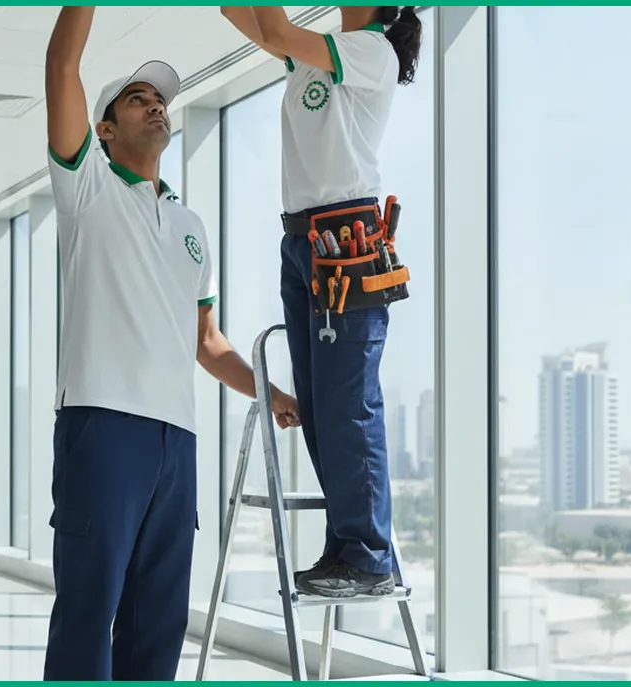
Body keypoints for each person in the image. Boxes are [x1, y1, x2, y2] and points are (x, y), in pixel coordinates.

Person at [42, 6, 300, 681]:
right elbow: (61, 68)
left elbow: (207, 342)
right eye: (137, 99)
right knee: (87, 614)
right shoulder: (86, 188)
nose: (156, 108)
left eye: (160, 100)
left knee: (158, 625)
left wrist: (271, 394)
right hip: (102, 428)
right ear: (105, 129)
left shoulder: (190, 225)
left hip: (175, 444)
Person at [219, 6, 423, 599]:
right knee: (319, 404)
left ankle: (368, 555)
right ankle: (345, 546)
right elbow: (248, 18)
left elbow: (277, 32)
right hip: (303, 241)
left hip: (346, 238)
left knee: (348, 402)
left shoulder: (371, 50)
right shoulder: (320, 51)